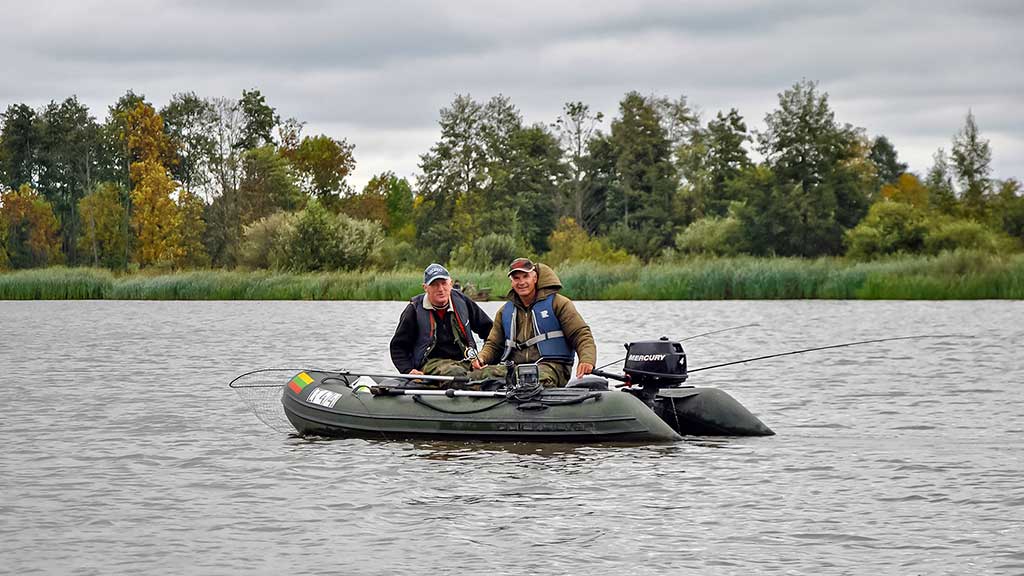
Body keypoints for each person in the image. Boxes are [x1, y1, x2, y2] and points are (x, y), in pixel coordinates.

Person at [472, 258, 596, 387]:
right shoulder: (504, 312)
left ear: (535, 278)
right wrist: (481, 358)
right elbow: (493, 345)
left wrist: (587, 360)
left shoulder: (559, 304)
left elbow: (581, 334)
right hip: (515, 369)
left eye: (526, 276)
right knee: (476, 377)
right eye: (516, 278)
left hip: (552, 367)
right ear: (511, 282)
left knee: (530, 379)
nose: (521, 282)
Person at [390, 263, 495, 378]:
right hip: (430, 364)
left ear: (450, 284)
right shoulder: (414, 309)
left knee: (503, 372)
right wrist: (408, 371)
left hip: (465, 362)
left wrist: (483, 357)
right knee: (456, 373)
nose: (440, 289)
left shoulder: (463, 302)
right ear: (425, 288)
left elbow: (490, 331)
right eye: (434, 285)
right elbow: (398, 347)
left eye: (444, 283)